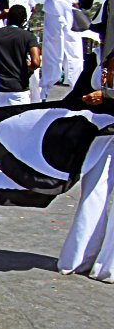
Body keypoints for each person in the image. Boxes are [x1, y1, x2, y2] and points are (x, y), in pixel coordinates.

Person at [57, 43, 114, 282]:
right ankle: (81, 258)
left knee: (95, 192)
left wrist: (108, 96)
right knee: (93, 193)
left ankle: (106, 265)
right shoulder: (98, 56)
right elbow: (76, 96)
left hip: (104, 132)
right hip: (103, 134)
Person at [40, 0, 84, 101]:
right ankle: (46, 88)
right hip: (56, 14)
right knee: (53, 51)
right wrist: (69, 5)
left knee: (73, 49)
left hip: (65, 14)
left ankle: (75, 84)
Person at [0, 5, 41, 106]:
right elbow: (36, 62)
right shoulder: (28, 36)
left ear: (8, 18)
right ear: (23, 20)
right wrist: (29, 68)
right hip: (19, 90)